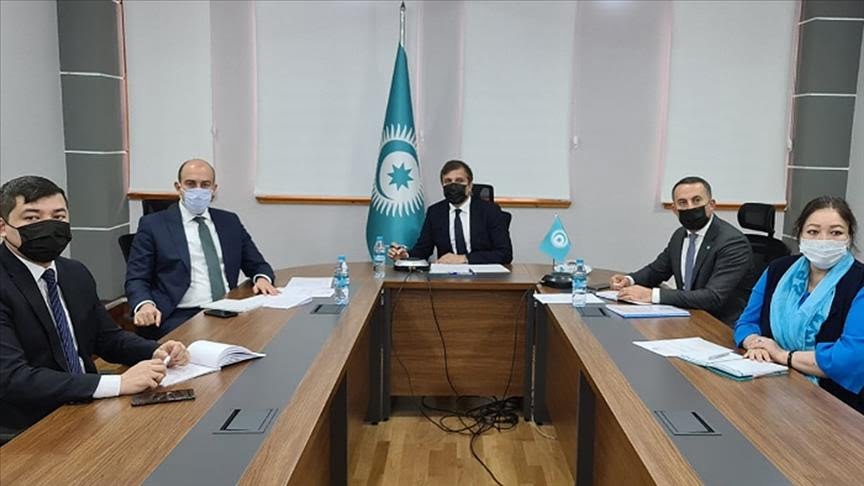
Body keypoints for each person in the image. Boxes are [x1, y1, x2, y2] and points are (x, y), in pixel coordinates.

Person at [0, 176, 189, 440]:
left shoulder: (74, 272)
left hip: (86, 406)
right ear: (3, 227)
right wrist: (118, 383)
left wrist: (154, 350)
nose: (48, 225)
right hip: (29, 425)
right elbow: (12, 378)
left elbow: (106, 338)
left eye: (58, 216)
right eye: (32, 218)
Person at [735, 196, 863, 413]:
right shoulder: (777, 269)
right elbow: (746, 322)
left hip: (834, 404)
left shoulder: (859, 282)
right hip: (769, 386)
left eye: (836, 233)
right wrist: (755, 343)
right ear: (800, 235)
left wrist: (782, 355)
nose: (824, 240)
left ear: (849, 237)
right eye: (813, 231)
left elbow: (849, 358)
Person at [125, 159, 277, 339]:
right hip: (179, 315)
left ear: (214, 189)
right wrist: (144, 304)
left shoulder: (229, 222)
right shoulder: (153, 225)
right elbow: (136, 278)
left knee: (267, 335)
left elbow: (258, 264)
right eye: (191, 184)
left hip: (228, 309)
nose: (198, 190)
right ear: (178, 187)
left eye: (205, 185)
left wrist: (262, 278)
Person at [609, 176, 755, 324]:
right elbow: (657, 270)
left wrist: (651, 295)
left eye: (697, 200)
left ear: (711, 205)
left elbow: (713, 297)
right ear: (674, 209)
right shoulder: (680, 235)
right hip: (688, 315)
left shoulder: (732, 242)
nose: (690, 207)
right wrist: (629, 280)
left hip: (720, 324)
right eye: (683, 203)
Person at [387, 160, 513, 264]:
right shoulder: (435, 212)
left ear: (470, 186)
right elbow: (423, 250)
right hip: (447, 277)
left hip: (484, 277)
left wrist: (464, 258)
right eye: (448, 181)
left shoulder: (490, 211)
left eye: (459, 181)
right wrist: (405, 255)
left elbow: (505, 254)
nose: (453, 186)